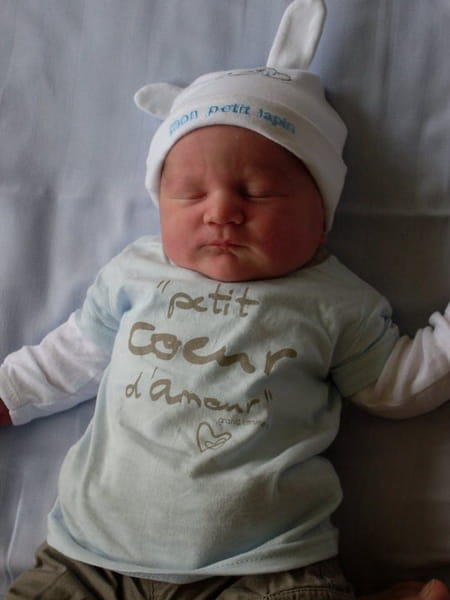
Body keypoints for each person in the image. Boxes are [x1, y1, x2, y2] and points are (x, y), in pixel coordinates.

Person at [1, 1, 449, 598]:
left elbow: (397, 385)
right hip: (89, 558)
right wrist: (8, 393)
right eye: (190, 194)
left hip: (262, 565)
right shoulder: (136, 273)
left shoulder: (334, 299)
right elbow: (71, 355)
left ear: (320, 215)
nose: (221, 212)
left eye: (256, 193)